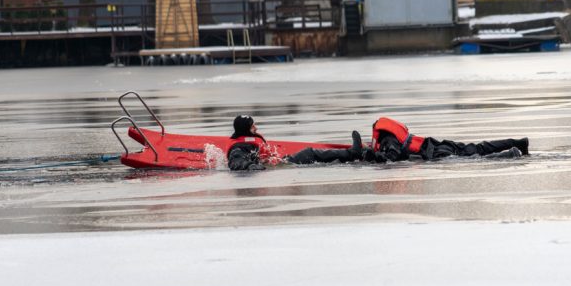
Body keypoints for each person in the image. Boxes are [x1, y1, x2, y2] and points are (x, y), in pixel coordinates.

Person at [227, 115, 364, 171]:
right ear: (245, 130)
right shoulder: (240, 146)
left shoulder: (247, 142)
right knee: (309, 153)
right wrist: (249, 165)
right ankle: (352, 153)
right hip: (278, 166)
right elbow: (236, 160)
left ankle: (349, 153)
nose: (256, 128)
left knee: (308, 154)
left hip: (276, 162)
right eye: (252, 127)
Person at [365, 116, 529, 163]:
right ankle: (518, 142)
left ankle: (509, 154)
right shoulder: (392, 135)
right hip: (440, 144)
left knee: (475, 158)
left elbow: (392, 155)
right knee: (480, 148)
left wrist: (379, 158)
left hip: (436, 153)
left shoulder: (387, 141)